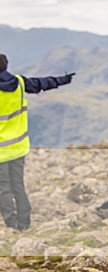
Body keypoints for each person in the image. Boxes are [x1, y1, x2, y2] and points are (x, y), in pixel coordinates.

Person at [0, 54, 73, 231]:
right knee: (18, 185)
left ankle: (11, 224)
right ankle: (24, 223)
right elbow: (42, 83)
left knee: (3, 188)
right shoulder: (19, 82)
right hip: (18, 147)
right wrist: (62, 79)